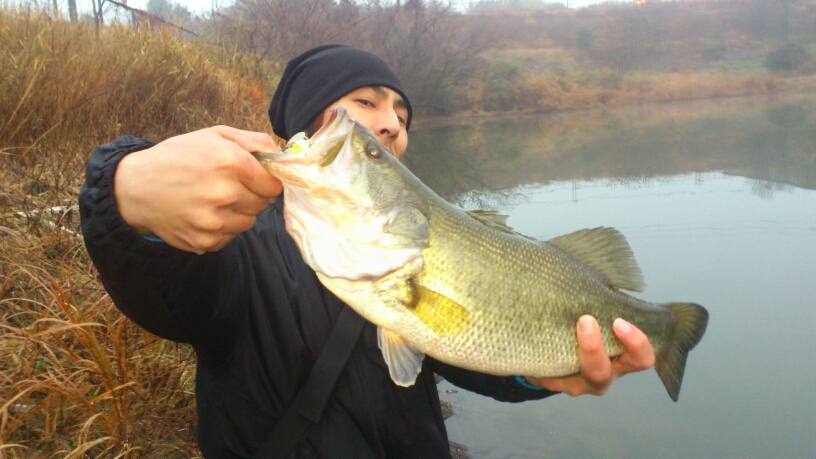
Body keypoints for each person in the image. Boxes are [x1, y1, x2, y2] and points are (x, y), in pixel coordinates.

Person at [79, 45, 655, 459]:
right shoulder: (237, 242)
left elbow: (460, 351)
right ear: (303, 120)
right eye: (366, 103)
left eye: (402, 117)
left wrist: (541, 375)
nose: (390, 126)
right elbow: (168, 295)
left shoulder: (412, 242)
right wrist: (125, 194)